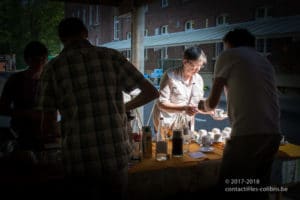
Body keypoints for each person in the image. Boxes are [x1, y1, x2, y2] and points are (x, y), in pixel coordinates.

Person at [35, 17, 159, 200]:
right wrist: (123, 108)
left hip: (79, 160)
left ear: (62, 39)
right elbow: (151, 92)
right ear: (85, 33)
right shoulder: (112, 56)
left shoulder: (52, 68)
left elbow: (47, 124)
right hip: (115, 155)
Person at [197, 28, 282, 199]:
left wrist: (202, 105)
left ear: (229, 44)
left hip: (247, 135)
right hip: (273, 134)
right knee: (257, 189)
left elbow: (212, 103)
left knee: (229, 188)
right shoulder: (264, 61)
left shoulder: (228, 55)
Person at [0, 41, 59, 158]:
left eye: (44, 60)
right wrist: (27, 114)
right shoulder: (15, 80)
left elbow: (55, 109)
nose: (41, 64)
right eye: (36, 60)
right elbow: (2, 108)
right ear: (27, 60)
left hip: (47, 136)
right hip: (21, 135)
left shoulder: (50, 80)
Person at [153, 46, 212, 133]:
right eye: (194, 66)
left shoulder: (198, 79)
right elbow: (161, 104)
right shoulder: (170, 76)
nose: (197, 70)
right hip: (167, 123)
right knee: (168, 145)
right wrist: (184, 108)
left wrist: (210, 109)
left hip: (186, 124)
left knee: (187, 145)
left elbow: (198, 104)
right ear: (184, 61)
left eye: (200, 66)